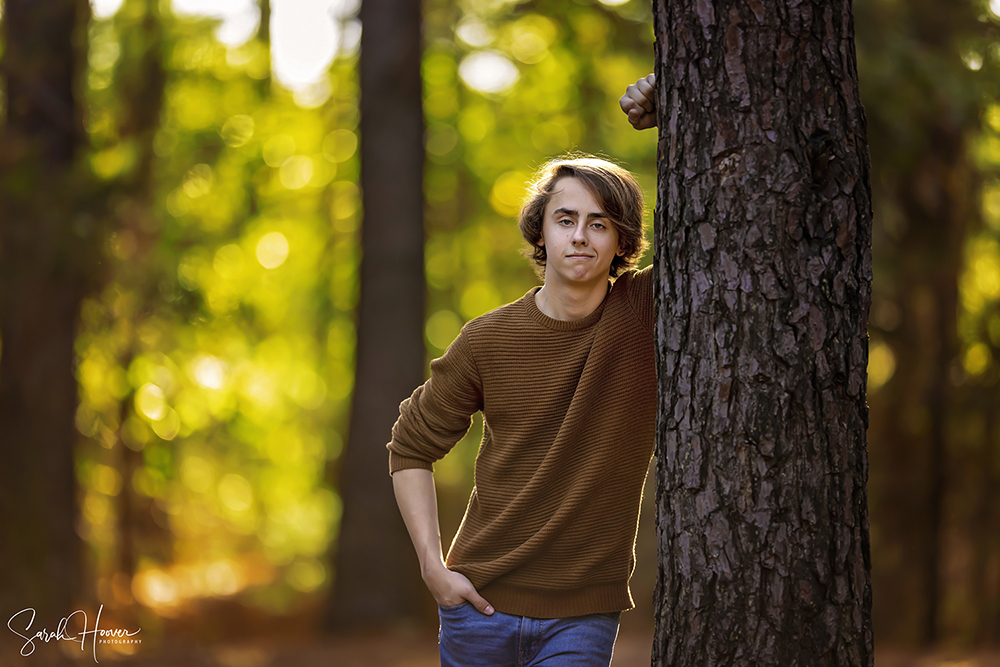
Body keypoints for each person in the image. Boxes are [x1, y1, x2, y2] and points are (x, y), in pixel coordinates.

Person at [388, 80, 660, 667]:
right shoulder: (488, 339)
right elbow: (409, 449)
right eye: (566, 219)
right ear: (541, 231)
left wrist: (675, 111)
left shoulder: (645, 310)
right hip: (478, 606)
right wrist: (434, 571)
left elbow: (717, 212)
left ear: (622, 242)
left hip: (582, 617)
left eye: (600, 223)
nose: (581, 235)